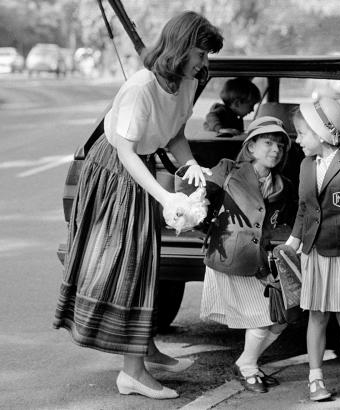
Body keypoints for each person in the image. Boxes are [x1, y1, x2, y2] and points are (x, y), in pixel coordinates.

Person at [53, 11, 223, 400]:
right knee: (131, 263)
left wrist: (190, 162)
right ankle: (132, 374)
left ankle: (143, 348)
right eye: (201, 53)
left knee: (149, 259)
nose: (205, 63)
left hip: (137, 167)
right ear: (181, 48)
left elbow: (174, 132)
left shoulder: (187, 81)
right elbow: (127, 152)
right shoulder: (140, 88)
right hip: (114, 171)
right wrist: (164, 195)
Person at [198, 116, 297, 393]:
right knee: (263, 316)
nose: (275, 150)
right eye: (268, 143)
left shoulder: (284, 186)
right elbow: (198, 202)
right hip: (230, 257)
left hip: (260, 261)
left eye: (280, 145)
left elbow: (286, 222)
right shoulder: (228, 169)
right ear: (251, 146)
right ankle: (249, 367)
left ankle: (246, 361)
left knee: (284, 315)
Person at [286, 97, 340, 401]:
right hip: (313, 252)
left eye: (302, 133)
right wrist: (293, 242)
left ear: (324, 132)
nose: (297, 140)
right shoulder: (306, 165)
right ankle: (315, 379)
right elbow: (304, 209)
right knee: (316, 316)